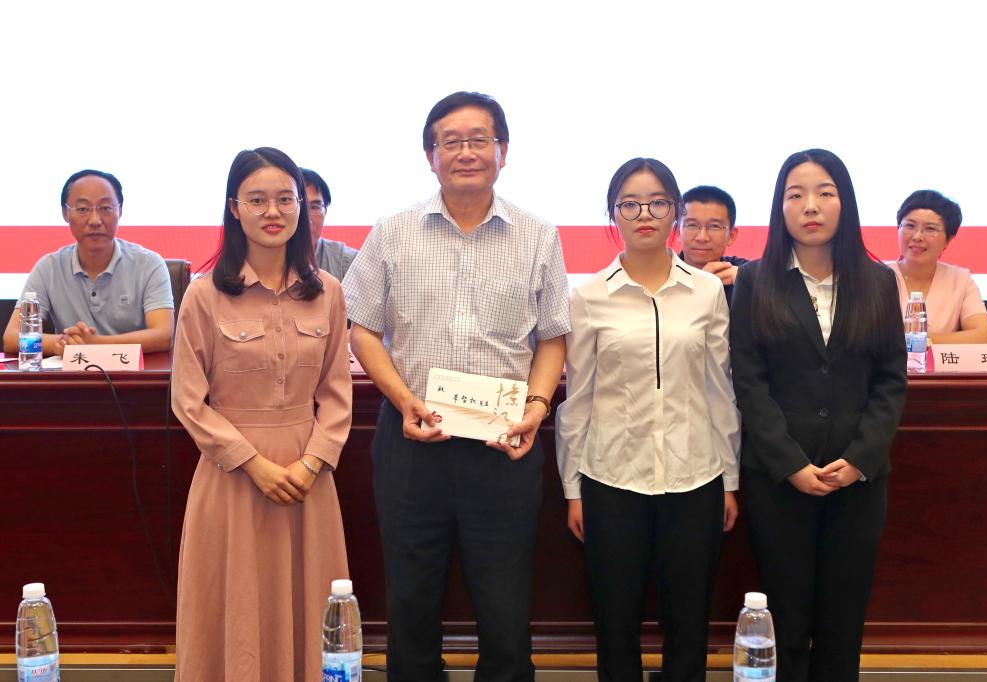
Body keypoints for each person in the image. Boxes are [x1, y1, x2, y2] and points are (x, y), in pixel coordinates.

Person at [343, 91, 570, 682]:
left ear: (502, 151)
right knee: (410, 602)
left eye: (479, 140)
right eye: (451, 141)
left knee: (505, 604)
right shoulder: (392, 232)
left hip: (504, 446)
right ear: (431, 155)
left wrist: (537, 406)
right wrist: (403, 400)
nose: (466, 152)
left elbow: (553, 338)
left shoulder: (538, 235)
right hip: (412, 441)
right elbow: (362, 329)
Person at [171, 147, 352, 681]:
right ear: (234, 208)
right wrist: (254, 464)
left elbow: (337, 393)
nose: (273, 211)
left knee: (311, 604)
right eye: (257, 200)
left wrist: (311, 463)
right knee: (233, 605)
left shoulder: (329, 293)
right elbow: (188, 400)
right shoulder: (204, 295)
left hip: (307, 480)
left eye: (285, 199)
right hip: (233, 478)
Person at [556, 158, 740, 682]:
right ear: (612, 214)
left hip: (696, 477)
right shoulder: (588, 297)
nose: (644, 215)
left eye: (658, 203)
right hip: (611, 478)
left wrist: (729, 479)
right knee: (615, 624)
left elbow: (719, 389)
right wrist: (573, 488)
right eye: (630, 204)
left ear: (675, 212)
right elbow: (578, 399)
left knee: (689, 624)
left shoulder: (705, 291)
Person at [730, 149, 908, 682]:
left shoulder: (877, 281)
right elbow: (749, 383)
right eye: (796, 194)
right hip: (779, 480)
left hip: (858, 483)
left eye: (825, 193)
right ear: (780, 207)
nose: (811, 206)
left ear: (844, 202)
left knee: (842, 622)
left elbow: (890, 380)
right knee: (784, 618)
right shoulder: (755, 281)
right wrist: (789, 463)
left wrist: (860, 460)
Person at [2, 169, 174, 356]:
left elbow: (163, 335)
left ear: (120, 210)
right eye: (83, 209)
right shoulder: (48, 268)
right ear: (65, 213)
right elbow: (11, 338)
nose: (95, 220)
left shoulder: (149, 264)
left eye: (105, 208)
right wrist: (59, 344)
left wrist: (95, 344)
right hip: (73, 373)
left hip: (134, 373)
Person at [886, 189, 987, 343]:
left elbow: (983, 337)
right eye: (910, 226)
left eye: (930, 229)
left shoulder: (960, 279)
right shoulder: (875, 276)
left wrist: (920, 341)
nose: (917, 236)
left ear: (948, 240)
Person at [678, 185, 749, 304]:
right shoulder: (662, 274)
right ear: (677, 232)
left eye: (714, 226)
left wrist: (746, 282)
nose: (702, 237)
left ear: (731, 235)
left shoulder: (744, 272)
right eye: (692, 225)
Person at [301, 167, 359, 282]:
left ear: (325, 211)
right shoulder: (266, 259)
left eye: (315, 207)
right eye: (300, 207)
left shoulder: (347, 262)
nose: (307, 219)